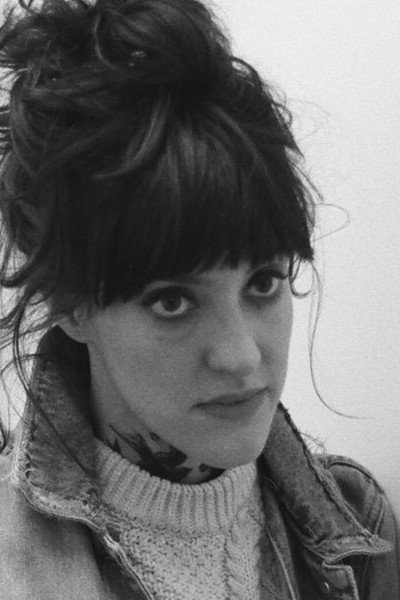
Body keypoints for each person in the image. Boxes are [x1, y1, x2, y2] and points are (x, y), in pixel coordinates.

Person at [0, 0, 398, 598]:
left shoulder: (361, 528)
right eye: (172, 302)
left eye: (263, 283)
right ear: (69, 302)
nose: (241, 357)